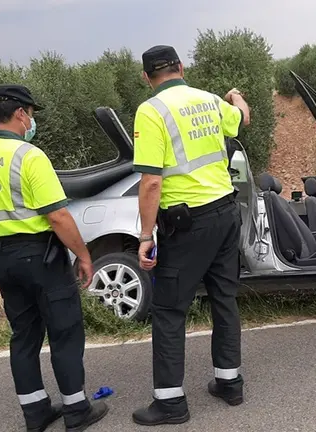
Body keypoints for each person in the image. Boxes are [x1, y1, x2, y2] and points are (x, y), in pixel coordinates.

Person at [0, 84, 109, 432]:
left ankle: (35, 412)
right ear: (20, 114)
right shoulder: (29, 156)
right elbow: (58, 216)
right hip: (40, 257)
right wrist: (83, 254)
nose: (32, 121)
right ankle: (77, 411)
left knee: (24, 334)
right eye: (31, 114)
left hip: (2, 258)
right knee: (64, 330)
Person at [130, 45, 251, 426]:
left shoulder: (151, 111)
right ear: (182, 68)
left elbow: (151, 182)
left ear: (147, 77)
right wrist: (237, 97)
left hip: (187, 225)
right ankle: (229, 383)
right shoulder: (211, 101)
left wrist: (145, 235)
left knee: (168, 310)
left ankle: (170, 403)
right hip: (225, 214)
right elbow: (243, 118)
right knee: (224, 298)